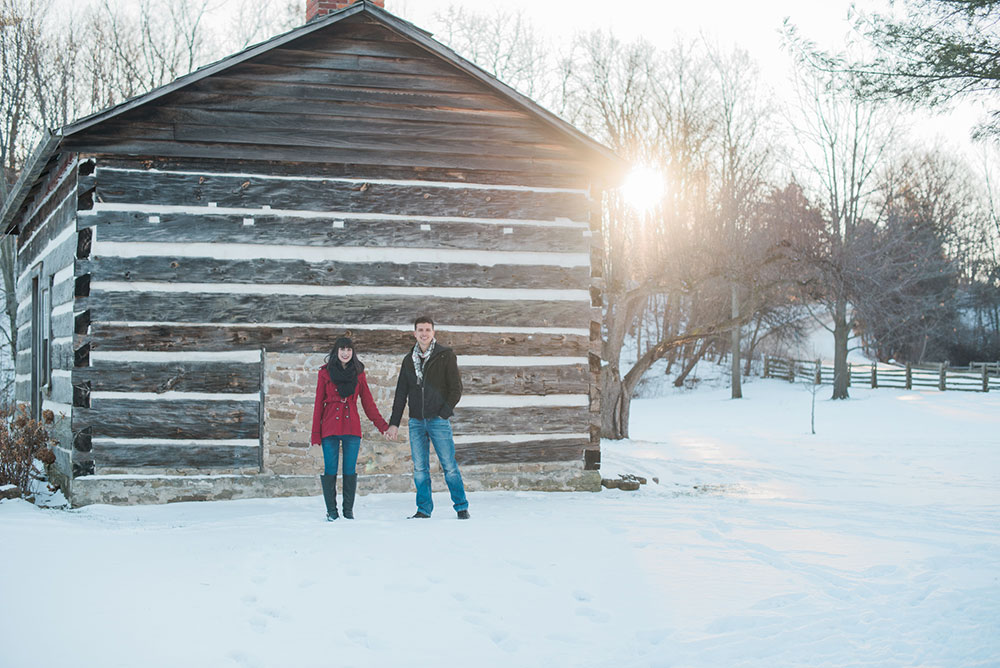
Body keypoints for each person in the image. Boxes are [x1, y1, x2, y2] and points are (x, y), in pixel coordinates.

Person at [386, 316, 470, 520]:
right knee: (420, 468)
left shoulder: (445, 356)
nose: (424, 333)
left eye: (427, 330)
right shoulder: (408, 360)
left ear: (433, 333)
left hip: (438, 420)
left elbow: (456, 389)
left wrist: (443, 413)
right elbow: (400, 394)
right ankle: (424, 509)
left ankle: (461, 506)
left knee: (449, 465)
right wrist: (394, 423)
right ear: (414, 333)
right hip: (416, 421)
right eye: (420, 330)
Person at [310, 337, 389, 521]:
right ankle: (332, 512)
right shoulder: (325, 373)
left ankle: (348, 512)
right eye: (342, 349)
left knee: (349, 470)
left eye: (349, 349)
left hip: (352, 428)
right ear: (336, 351)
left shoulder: (359, 373)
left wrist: (382, 426)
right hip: (329, 427)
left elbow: (368, 404)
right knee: (330, 469)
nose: (345, 353)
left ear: (353, 352)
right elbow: (317, 406)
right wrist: (315, 435)